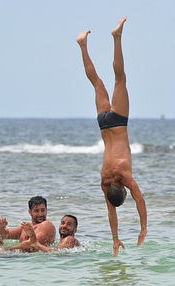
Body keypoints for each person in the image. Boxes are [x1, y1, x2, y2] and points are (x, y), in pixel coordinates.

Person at [76, 16, 147, 256]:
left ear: (123, 190)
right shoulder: (104, 181)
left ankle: (116, 37)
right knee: (96, 83)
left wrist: (143, 228)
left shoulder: (123, 176)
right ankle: (82, 45)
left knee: (120, 78)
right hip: (103, 124)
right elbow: (111, 211)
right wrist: (114, 239)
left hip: (117, 122)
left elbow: (140, 201)